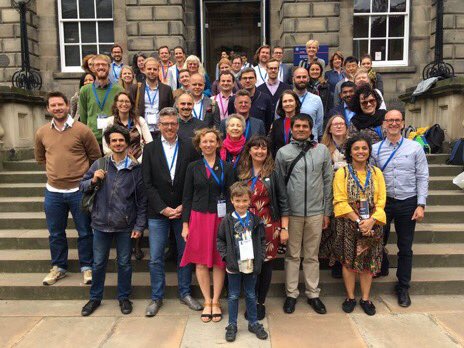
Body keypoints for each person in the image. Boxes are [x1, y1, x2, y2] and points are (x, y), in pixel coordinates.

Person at [35, 91, 101, 286]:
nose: (57, 108)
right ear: (48, 109)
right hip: (53, 192)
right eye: (53, 105)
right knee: (55, 233)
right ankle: (58, 267)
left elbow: (95, 157)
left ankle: (87, 267)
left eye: (60, 104)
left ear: (67, 105)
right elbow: (41, 158)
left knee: (85, 232)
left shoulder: (82, 130)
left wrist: (85, 179)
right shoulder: (42, 132)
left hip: (79, 191)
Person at [80, 125, 147, 316]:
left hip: (125, 225)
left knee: (125, 263)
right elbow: (81, 186)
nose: (118, 144)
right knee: (99, 263)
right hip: (101, 223)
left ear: (127, 143)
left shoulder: (136, 169)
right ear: (109, 144)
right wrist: (93, 180)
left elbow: (142, 200)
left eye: (121, 140)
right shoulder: (100, 164)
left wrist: (140, 225)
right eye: (114, 141)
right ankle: (95, 298)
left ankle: (124, 297)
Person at [142, 107, 202, 317]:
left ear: (178, 124)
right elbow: (147, 184)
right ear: (158, 126)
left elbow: (194, 179)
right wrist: (163, 208)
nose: (169, 127)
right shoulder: (149, 149)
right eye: (165, 124)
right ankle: (156, 297)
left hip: (183, 211)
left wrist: (184, 206)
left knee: (184, 255)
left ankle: (185, 293)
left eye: (173, 123)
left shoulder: (189, 147)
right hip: (158, 213)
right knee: (156, 257)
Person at [275, 113, 333, 315]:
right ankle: (291, 294)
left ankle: (312, 293)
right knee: (292, 255)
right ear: (291, 128)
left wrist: (327, 211)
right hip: (292, 213)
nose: (300, 129)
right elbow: (279, 185)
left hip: (316, 212)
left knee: (311, 255)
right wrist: (283, 214)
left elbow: (327, 181)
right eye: (297, 126)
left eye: (304, 126)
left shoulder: (322, 151)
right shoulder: (283, 152)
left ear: (310, 129)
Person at [371, 110, 429, 307]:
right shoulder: (375, 149)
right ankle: (379, 269)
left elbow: (422, 176)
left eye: (397, 120)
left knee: (405, 247)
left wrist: (421, 204)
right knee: (378, 240)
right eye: (390, 120)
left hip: (408, 202)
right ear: (384, 124)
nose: (393, 123)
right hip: (384, 203)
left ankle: (403, 286)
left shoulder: (415, 148)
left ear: (403, 123)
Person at [180, 128, 235, 323]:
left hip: (221, 220)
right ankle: (207, 301)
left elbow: (232, 196)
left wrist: (231, 221)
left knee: (220, 260)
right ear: (199, 144)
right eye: (205, 142)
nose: (208, 144)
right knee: (201, 262)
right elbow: (187, 197)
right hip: (198, 218)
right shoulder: (192, 167)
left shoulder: (227, 167)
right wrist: (185, 225)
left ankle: (217, 301)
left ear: (218, 143)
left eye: (212, 141)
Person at [332, 134, 386, 316]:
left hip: (373, 224)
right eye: (356, 148)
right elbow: (339, 200)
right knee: (348, 262)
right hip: (348, 223)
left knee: (368, 262)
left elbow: (381, 201)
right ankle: (350, 297)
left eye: (364, 148)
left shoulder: (377, 172)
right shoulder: (342, 173)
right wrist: (358, 221)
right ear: (350, 152)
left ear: (369, 151)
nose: (360, 152)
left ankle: (365, 298)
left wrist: (370, 221)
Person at [236, 136, 290, 319]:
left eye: (264, 148)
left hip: (268, 225)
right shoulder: (241, 170)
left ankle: (260, 302)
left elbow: (283, 200)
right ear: (249, 150)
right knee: (248, 263)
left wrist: (284, 228)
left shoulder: (273, 172)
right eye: (256, 148)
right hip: (244, 224)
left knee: (266, 264)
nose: (260, 151)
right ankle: (250, 300)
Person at [217, 182, 269, 342]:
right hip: (234, 264)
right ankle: (232, 324)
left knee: (251, 294)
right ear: (232, 200)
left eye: (245, 201)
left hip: (250, 264)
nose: (241, 204)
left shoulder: (255, 220)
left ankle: (253, 322)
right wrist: (226, 256)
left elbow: (261, 240)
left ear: (250, 200)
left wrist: (260, 258)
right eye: (238, 201)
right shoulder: (227, 220)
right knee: (233, 295)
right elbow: (220, 240)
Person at [319, 114, 349, 278]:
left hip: (348, 194)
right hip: (330, 193)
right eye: (334, 124)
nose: (338, 126)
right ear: (329, 128)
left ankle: (342, 262)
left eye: (341, 124)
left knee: (345, 229)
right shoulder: (323, 147)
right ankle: (333, 260)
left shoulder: (353, 144)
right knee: (333, 230)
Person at [79, 54, 125, 145]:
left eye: (104, 64)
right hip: (92, 139)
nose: (101, 67)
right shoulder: (85, 90)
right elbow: (83, 117)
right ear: (92, 68)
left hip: (113, 139)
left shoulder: (119, 90)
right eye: (97, 65)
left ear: (109, 67)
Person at [102, 91, 152, 163]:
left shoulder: (140, 121)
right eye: (121, 101)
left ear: (131, 104)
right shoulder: (109, 122)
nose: (124, 104)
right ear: (116, 104)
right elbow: (106, 148)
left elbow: (150, 143)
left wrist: (138, 161)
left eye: (127, 101)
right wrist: (120, 161)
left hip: (139, 162)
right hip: (116, 163)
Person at [129, 57, 174, 137]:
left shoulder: (166, 89)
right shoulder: (136, 88)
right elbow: (131, 109)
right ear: (144, 70)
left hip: (161, 131)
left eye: (154, 69)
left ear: (158, 70)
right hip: (142, 131)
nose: (152, 71)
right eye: (149, 69)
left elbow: (171, 110)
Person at [228, 68, 274, 133]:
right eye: (245, 78)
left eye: (251, 78)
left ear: (256, 80)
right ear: (240, 81)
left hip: (258, 139)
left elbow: (268, 122)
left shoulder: (265, 98)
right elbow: (231, 120)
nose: (247, 80)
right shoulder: (233, 99)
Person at [292, 67, 324, 141]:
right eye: (298, 77)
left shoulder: (316, 99)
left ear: (308, 79)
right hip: (290, 142)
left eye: (304, 77)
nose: (301, 80)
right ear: (293, 80)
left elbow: (319, 124)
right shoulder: (285, 99)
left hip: (311, 142)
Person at [269, 90, 301, 157]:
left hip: (298, 160)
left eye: (290, 101)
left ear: (296, 103)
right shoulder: (276, 123)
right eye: (285, 101)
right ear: (282, 105)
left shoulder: (302, 121)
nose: (288, 104)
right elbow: (272, 145)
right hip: (279, 160)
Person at [307, 62, 330, 127]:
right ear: (308, 71)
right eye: (312, 69)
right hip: (307, 119)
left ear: (321, 71)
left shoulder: (326, 86)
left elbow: (329, 105)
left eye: (317, 69)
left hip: (322, 119)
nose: (315, 71)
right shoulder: (305, 86)